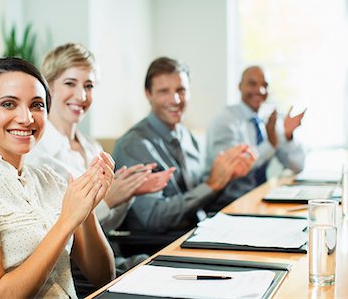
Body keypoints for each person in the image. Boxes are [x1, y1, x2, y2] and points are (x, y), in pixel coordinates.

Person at [0, 57, 115, 298]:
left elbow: (103, 277)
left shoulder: (51, 180)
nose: (26, 118)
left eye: (37, 105)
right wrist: (66, 223)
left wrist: (86, 208)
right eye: (9, 104)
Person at [26, 43, 174, 271]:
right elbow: (55, 236)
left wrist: (127, 193)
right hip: (71, 271)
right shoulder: (36, 155)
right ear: (48, 86)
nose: (81, 95)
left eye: (89, 86)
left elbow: (108, 227)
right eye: (70, 83)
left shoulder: (92, 147)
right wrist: (106, 201)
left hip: (110, 261)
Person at [112, 57, 256, 234]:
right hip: (158, 246)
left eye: (181, 90)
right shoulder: (134, 145)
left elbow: (203, 197)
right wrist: (211, 185)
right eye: (164, 91)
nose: (175, 100)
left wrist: (226, 177)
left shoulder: (191, 139)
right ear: (148, 94)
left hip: (198, 232)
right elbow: (152, 218)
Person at [205, 65, 306, 211]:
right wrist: (270, 144)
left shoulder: (267, 120)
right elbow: (233, 168)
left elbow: (297, 166)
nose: (260, 90)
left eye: (265, 85)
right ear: (240, 86)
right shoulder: (225, 120)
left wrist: (287, 135)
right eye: (252, 84)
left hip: (259, 200)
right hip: (227, 204)